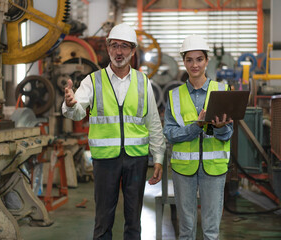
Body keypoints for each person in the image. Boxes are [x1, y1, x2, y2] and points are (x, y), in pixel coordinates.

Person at [62, 23, 166, 240]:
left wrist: (158, 158)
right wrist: (70, 104)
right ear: (108, 48)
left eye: (125, 47)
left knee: (133, 221)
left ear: (133, 51)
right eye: (115, 46)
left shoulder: (143, 83)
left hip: (136, 159)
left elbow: (153, 122)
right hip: (105, 160)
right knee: (103, 221)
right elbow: (77, 112)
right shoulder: (93, 81)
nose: (119, 52)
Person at [163, 35, 233, 240]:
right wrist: (196, 127)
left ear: (207, 61)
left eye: (199, 59)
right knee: (186, 230)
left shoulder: (222, 90)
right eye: (190, 60)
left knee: (211, 231)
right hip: (183, 170)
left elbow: (228, 134)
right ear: (183, 62)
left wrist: (218, 128)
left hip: (214, 167)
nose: (195, 65)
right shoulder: (173, 95)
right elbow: (170, 134)